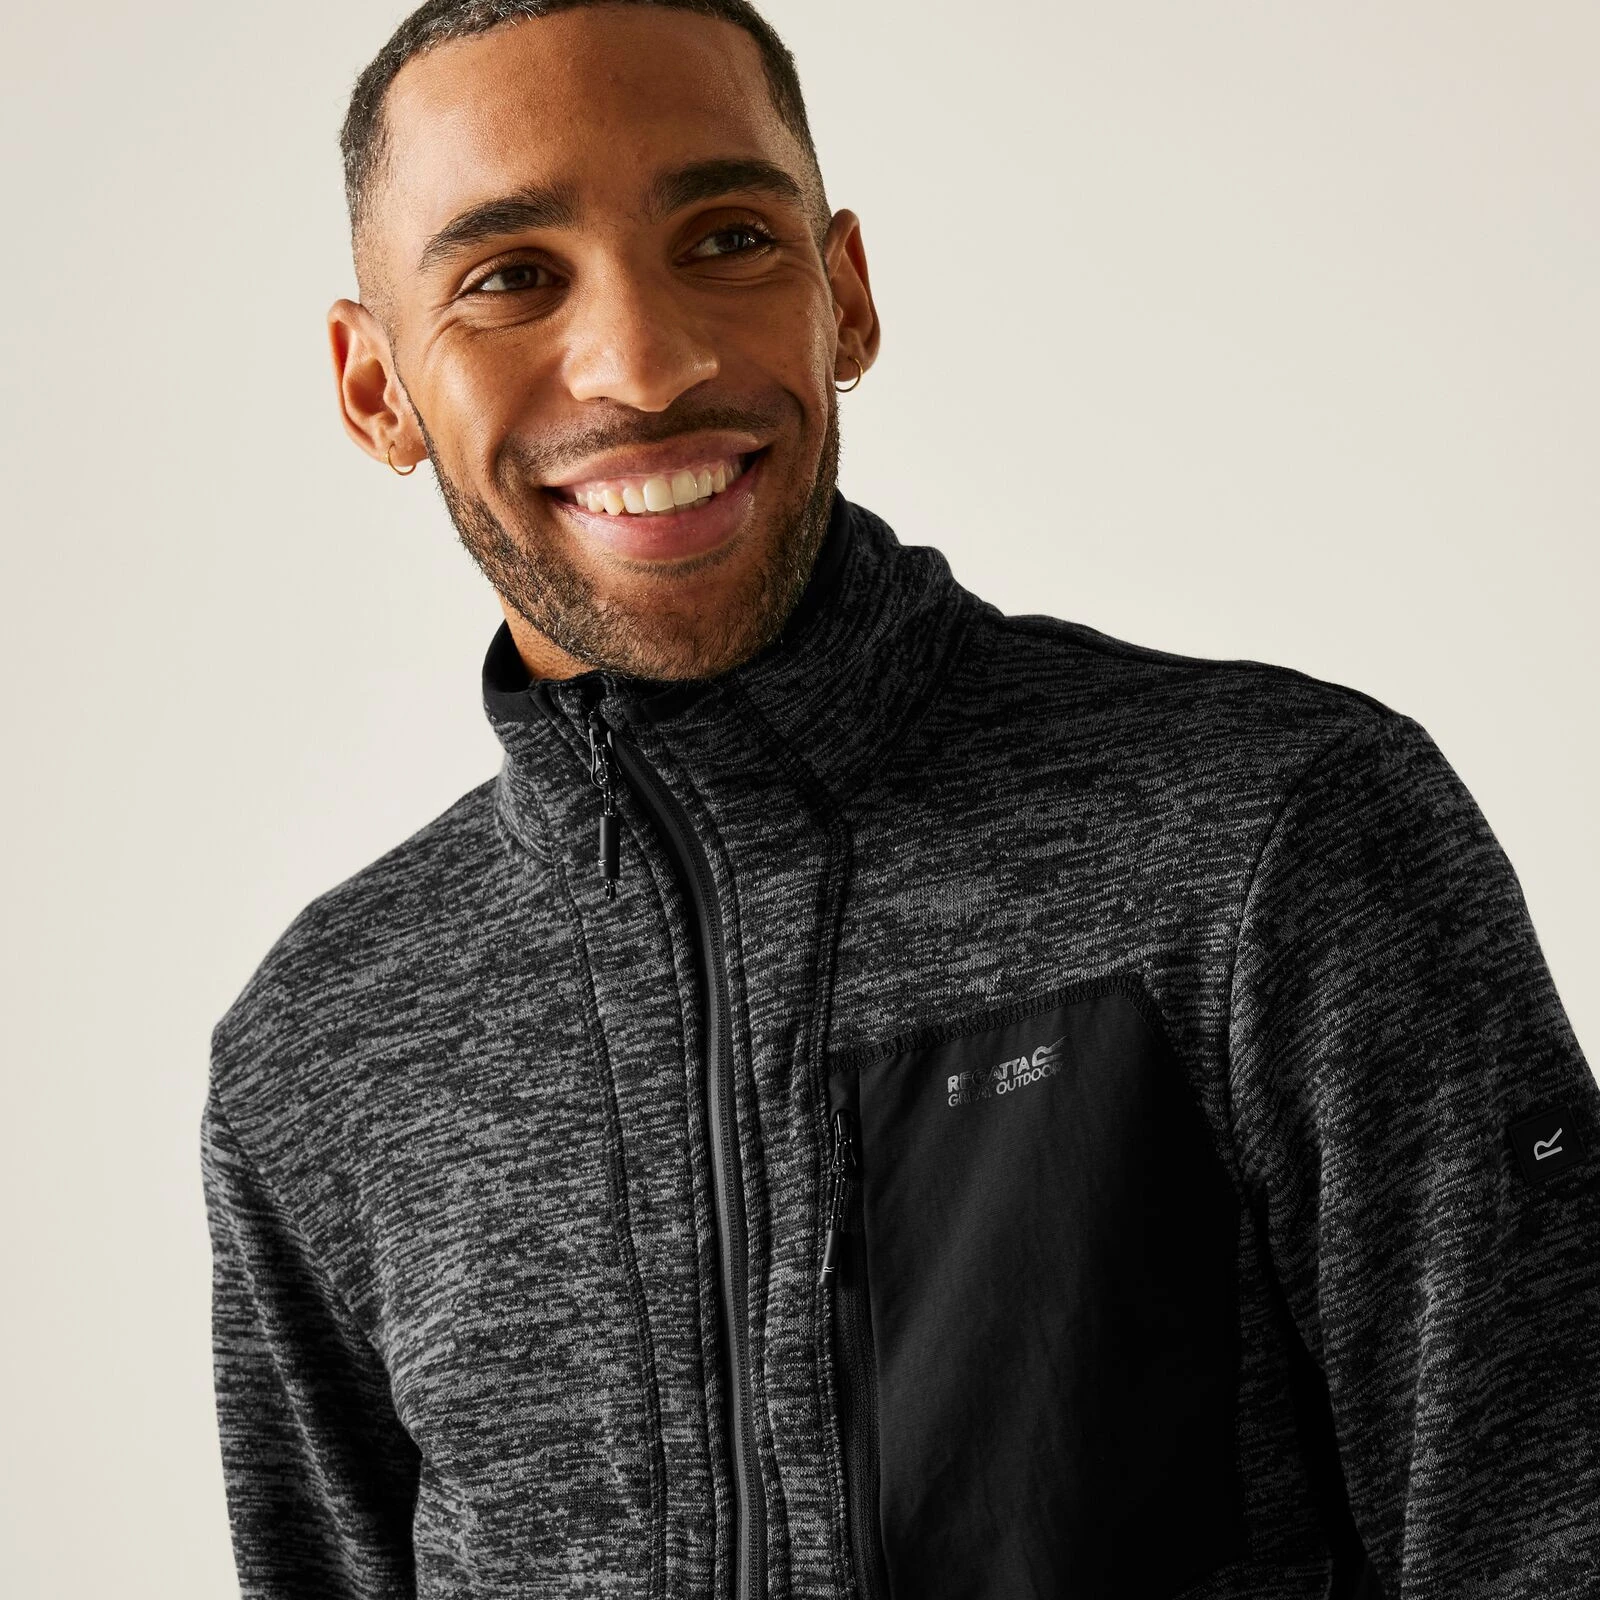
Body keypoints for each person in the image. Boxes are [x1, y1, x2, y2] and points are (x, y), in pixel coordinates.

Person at [199, 2, 1600, 1597]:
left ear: (844, 296)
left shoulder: (1276, 844)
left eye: (728, 239)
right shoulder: (319, 1056)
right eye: (510, 278)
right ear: (375, 388)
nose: (644, 364)